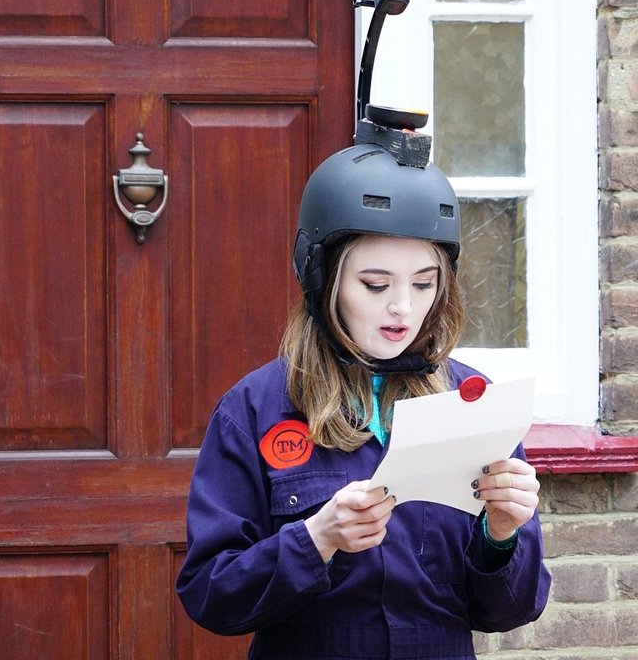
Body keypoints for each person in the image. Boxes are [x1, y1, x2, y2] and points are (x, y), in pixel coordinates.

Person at [176, 142, 551, 659]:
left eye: (424, 284)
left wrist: (503, 535)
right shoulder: (254, 409)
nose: (403, 307)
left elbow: (509, 612)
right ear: (322, 278)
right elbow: (210, 595)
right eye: (375, 285)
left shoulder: (473, 404)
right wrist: (316, 539)